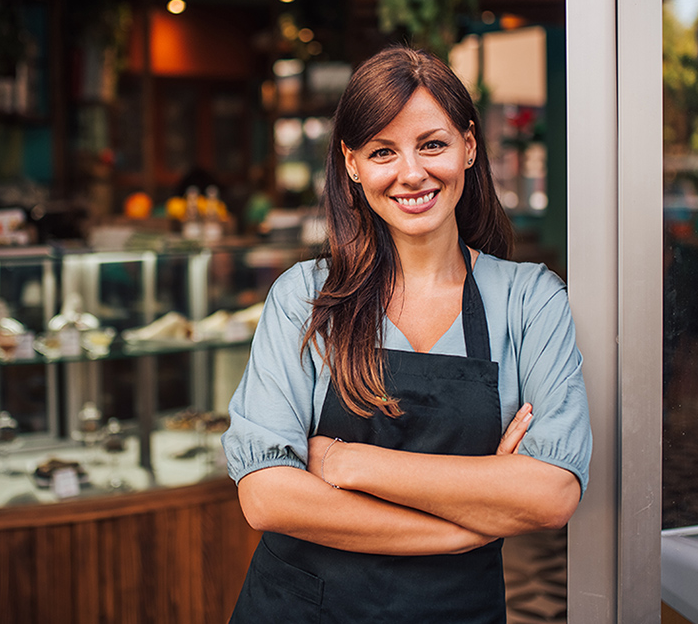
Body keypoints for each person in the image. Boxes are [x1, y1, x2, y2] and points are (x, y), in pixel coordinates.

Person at [220, 46, 591, 623]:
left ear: (469, 146)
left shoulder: (530, 300)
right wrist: (463, 527)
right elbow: (268, 497)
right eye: (383, 151)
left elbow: (550, 496)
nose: (411, 173)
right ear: (352, 163)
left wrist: (350, 465)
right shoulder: (305, 299)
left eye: (433, 144)